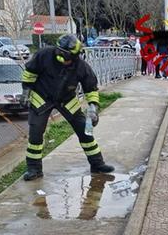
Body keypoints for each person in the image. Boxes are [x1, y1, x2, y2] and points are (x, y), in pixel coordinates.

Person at [19, 34, 113, 181]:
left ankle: (97, 164)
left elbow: (91, 89)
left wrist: (93, 108)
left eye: (67, 57)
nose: (63, 59)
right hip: (42, 97)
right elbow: (30, 73)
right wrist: (26, 91)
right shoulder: (44, 55)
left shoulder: (81, 66)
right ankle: (34, 169)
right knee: (36, 133)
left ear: (75, 56)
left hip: (67, 99)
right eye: (61, 54)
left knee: (85, 129)